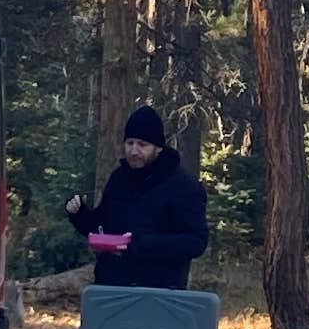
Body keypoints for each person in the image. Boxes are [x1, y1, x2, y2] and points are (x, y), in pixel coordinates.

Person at [62, 106, 211, 293]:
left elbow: (195, 241)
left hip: (159, 292)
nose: (134, 151)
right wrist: (80, 215)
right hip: (110, 288)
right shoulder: (119, 178)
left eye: (142, 144)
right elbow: (102, 227)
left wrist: (140, 246)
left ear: (158, 148)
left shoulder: (183, 185)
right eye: (130, 143)